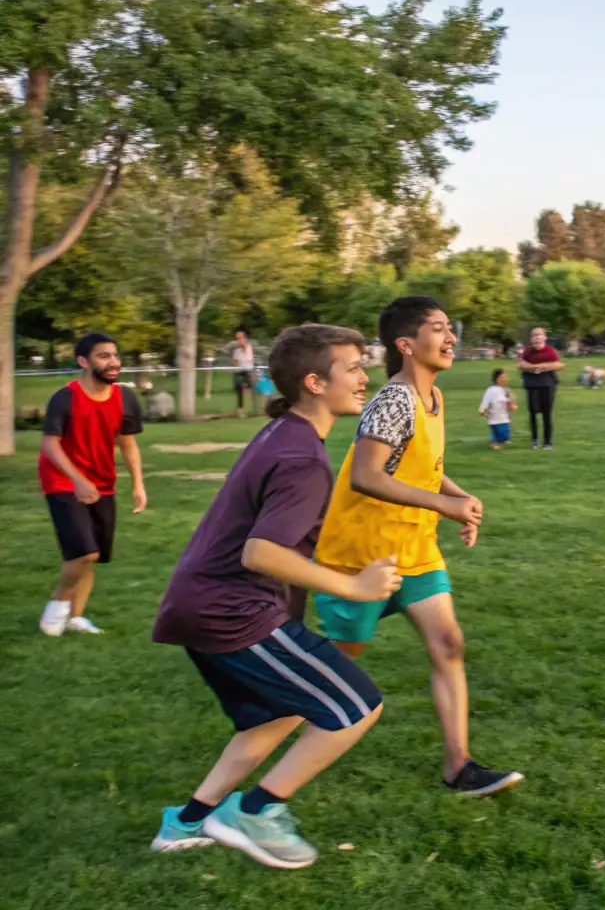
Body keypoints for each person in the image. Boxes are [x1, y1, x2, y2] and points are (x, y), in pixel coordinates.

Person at [149, 324, 400, 869]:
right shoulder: (302, 457)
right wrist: (355, 587)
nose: (364, 378)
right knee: (357, 707)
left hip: (202, 605)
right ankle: (254, 811)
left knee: (278, 715)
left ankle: (187, 821)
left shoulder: (285, 432)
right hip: (232, 612)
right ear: (314, 382)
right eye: (352, 368)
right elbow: (261, 552)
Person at [313, 297, 523, 797]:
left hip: (415, 548)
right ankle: (271, 736)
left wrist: (458, 497)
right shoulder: (395, 398)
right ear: (406, 345)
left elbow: (420, 461)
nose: (451, 338)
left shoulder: (433, 397)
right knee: (339, 666)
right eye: (438, 329)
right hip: (361, 555)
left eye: (451, 329)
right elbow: (366, 475)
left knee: (448, 643)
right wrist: (442, 504)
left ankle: (459, 767)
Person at [38, 333, 147, 637]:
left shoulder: (125, 398)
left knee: (92, 552)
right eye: (103, 356)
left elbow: (127, 444)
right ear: (83, 362)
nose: (113, 362)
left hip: (101, 483)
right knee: (85, 553)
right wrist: (77, 479)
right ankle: (58, 604)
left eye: (115, 355)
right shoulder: (66, 397)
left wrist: (138, 484)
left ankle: (75, 618)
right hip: (62, 479)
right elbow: (50, 444)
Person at [517, 326, 563, 450]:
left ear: (544, 337)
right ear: (531, 339)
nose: (537, 337)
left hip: (547, 383)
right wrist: (533, 368)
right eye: (534, 335)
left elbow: (558, 364)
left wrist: (542, 367)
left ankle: (548, 442)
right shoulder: (527, 351)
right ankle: (534, 439)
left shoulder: (550, 351)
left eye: (539, 335)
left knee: (546, 413)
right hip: (532, 383)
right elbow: (520, 364)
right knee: (532, 412)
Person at [479, 368, 517, 449]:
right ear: (497, 379)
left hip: (505, 417)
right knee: (496, 433)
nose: (505, 379)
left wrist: (512, 404)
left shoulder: (505, 390)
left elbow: (510, 401)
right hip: (494, 418)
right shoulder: (491, 390)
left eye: (506, 377)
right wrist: (482, 409)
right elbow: (485, 401)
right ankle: (495, 442)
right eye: (503, 377)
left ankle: (502, 440)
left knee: (505, 436)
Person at [229, 328, 257, 416]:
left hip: (249, 371)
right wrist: (237, 364)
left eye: (241, 338)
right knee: (240, 390)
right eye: (237, 339)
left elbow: (249, 359)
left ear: (245, 338)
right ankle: (241, 410)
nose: (239, 340)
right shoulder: (237, 350)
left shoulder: (249, 347)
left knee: (252, 390)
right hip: (239, 371)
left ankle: (256, 409)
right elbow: (235, 361)